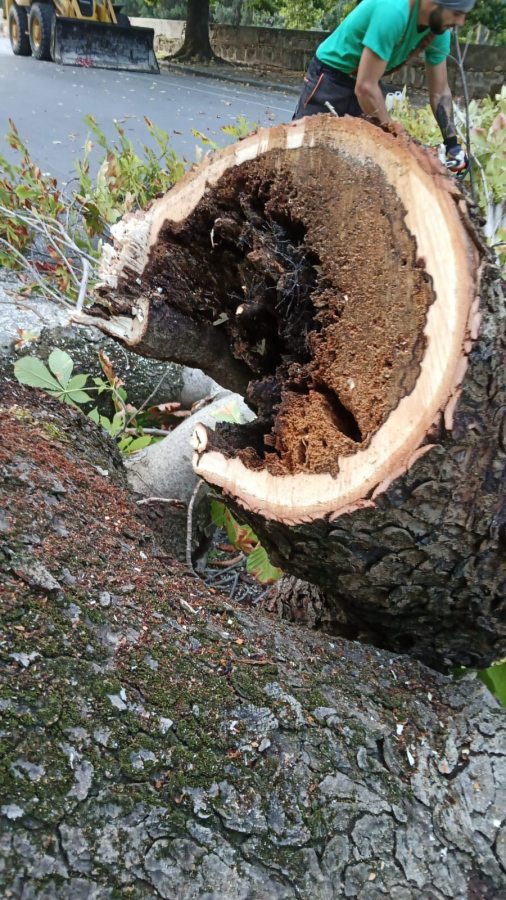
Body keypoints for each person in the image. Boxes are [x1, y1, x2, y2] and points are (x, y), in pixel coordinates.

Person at [292, 0, 475, 175]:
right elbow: (365, 88)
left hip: (367, 80)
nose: (460, 22)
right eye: (456, 13)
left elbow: (440, 92)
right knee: (301, 155)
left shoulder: (437, 31)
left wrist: (452, 144)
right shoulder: (393, 11)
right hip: (331, 77)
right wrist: (398, 140)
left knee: (353, 165)